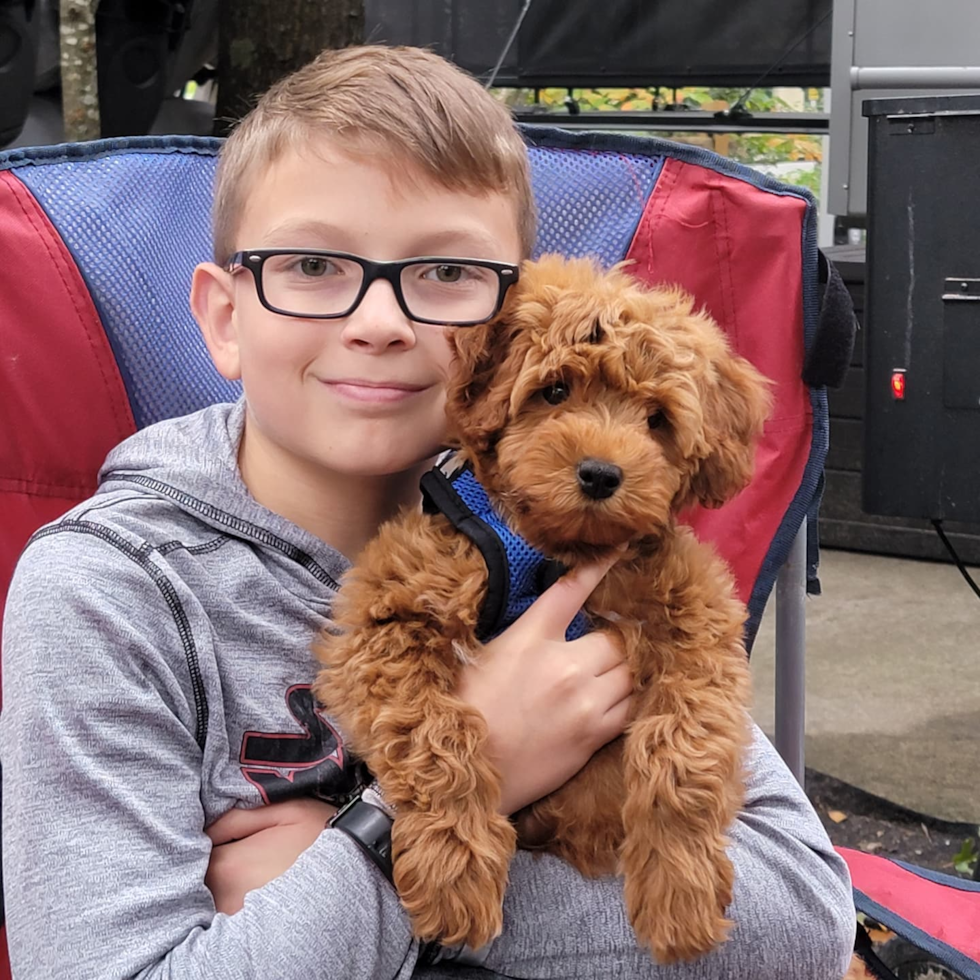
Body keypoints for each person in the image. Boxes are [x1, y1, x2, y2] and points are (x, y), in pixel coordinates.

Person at [0, 44, 855, 980]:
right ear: (224, 318)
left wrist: (362, 868)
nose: (380, 323)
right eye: (312, 263)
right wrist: (396, 832)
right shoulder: (111, 594)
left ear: (517, 323)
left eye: (447, 271)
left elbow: (803, 922)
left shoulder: (590, 551)